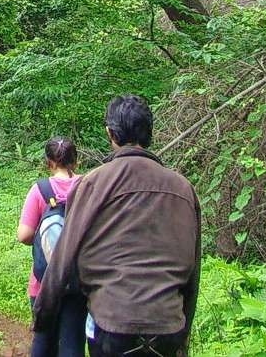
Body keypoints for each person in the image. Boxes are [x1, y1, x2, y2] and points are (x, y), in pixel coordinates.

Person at [33, 95, 201, 357]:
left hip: (111, 324)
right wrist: (184, 334)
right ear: (149, 134)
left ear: (110, 133)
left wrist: (43, 316)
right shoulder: (183, 189)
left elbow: (63, 257)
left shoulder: (92, 183)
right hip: (168, 327)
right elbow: (193, 270)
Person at [18, 137, 86, 357]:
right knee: (72, 343)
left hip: (44, 283)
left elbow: (24, 235)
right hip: (79, 280)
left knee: (43, 340)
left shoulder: (40, 189)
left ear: (48, 162)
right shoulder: (88, 187)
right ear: (76, 161)